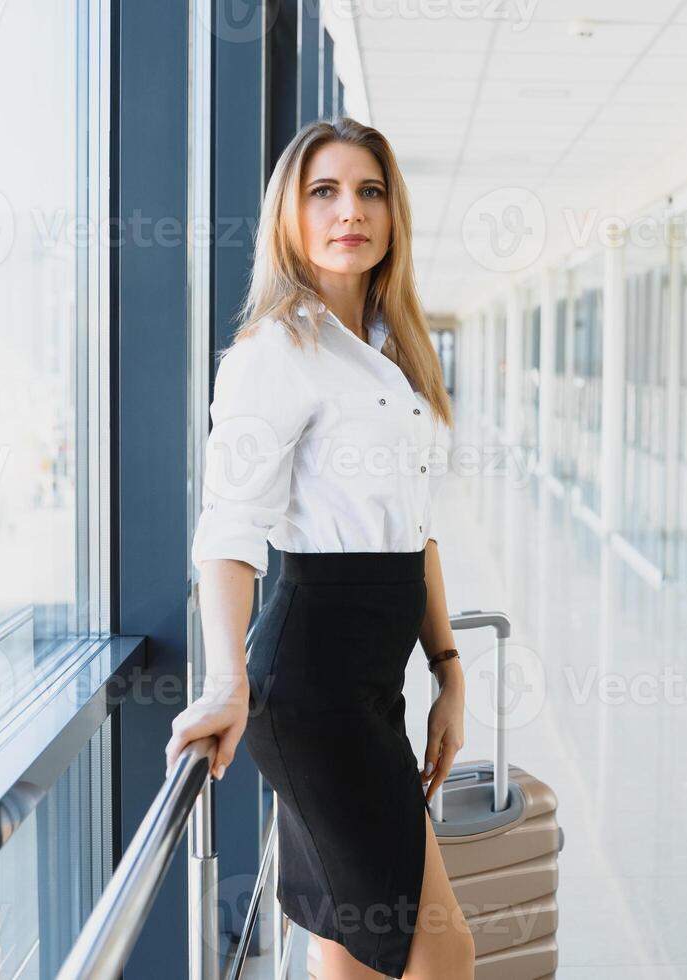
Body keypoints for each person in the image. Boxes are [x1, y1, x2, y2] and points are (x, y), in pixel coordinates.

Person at [164, 118, 473, 980]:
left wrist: (447, 667)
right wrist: (226, 681)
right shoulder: (275, 352)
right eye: (324, 192)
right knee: (440, 951)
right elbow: (228, 525)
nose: (351, 211)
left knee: (349, 944)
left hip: (374, 682)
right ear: (289, 217)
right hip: (313, 693)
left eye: (370, 191)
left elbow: (417, 529)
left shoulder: (391, 355)